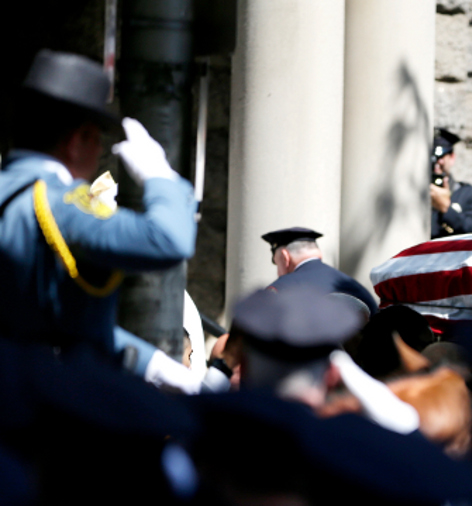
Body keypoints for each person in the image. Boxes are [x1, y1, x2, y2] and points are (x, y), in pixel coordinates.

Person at [0, 50, 195, 362]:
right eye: (97, 139)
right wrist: (160, 176)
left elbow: (57, 319)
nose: (100, 150)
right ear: (78, 141)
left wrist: (147, 363)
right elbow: (170, 238)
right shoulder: (62, 205)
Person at [223, 285, 420, 435]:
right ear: (332, 374)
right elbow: (407, 423)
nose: (363, 339)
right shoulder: (345, 441)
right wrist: (341, 363)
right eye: (360, 331)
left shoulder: (206, 424)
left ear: (245, 366)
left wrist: (223, 363)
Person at [262, 226, 378, 319]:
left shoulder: (281, 288)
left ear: (284, 257)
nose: (278, 272)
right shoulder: (355, 287)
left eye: (276, 263)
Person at [430, 128, 472, 239]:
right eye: (432, 157)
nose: (437, 162)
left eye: (441, 157)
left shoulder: (469, 195)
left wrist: (446, 208)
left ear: (452, 158)